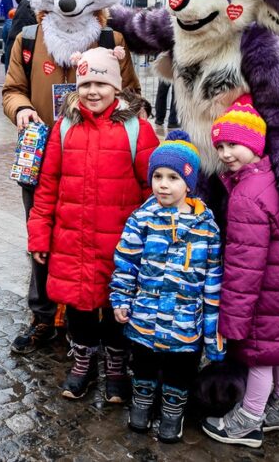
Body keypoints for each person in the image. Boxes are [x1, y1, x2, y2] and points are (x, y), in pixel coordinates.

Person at [27, 47, 158, 402]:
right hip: (74, 237)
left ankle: (116, 364)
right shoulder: (64, 128)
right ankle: (83, 360)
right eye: (86, 84)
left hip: (122, 242)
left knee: (117, 305)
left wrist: (152, 241)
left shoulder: (138, 131)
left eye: (102, 83)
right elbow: (48, 184)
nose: (93, 91)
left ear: (116, 87)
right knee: (80, 304)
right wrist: (40, 234)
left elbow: (152, 189)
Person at [201, 96, 279, 448]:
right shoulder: (273, 176)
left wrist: (233, 319)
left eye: (234, 144)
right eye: (220, 146)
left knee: (259, 355)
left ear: (255, 144)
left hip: (270, 291)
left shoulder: (246, 195)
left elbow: (245, 265)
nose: (225, 153)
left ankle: (249, 419)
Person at [110, 130, 224, 443]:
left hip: (186, 324)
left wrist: (213, 330)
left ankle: (173, 414)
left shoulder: (206, 225)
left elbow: (213, 279)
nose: (163, 184)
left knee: (179, 372)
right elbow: (126, 263)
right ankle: (142, 407)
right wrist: (121, 298)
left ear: (189, 183)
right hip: (145, 318)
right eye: (157, 176)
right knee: (143, 366)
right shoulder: (142, 219)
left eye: (172, 177)